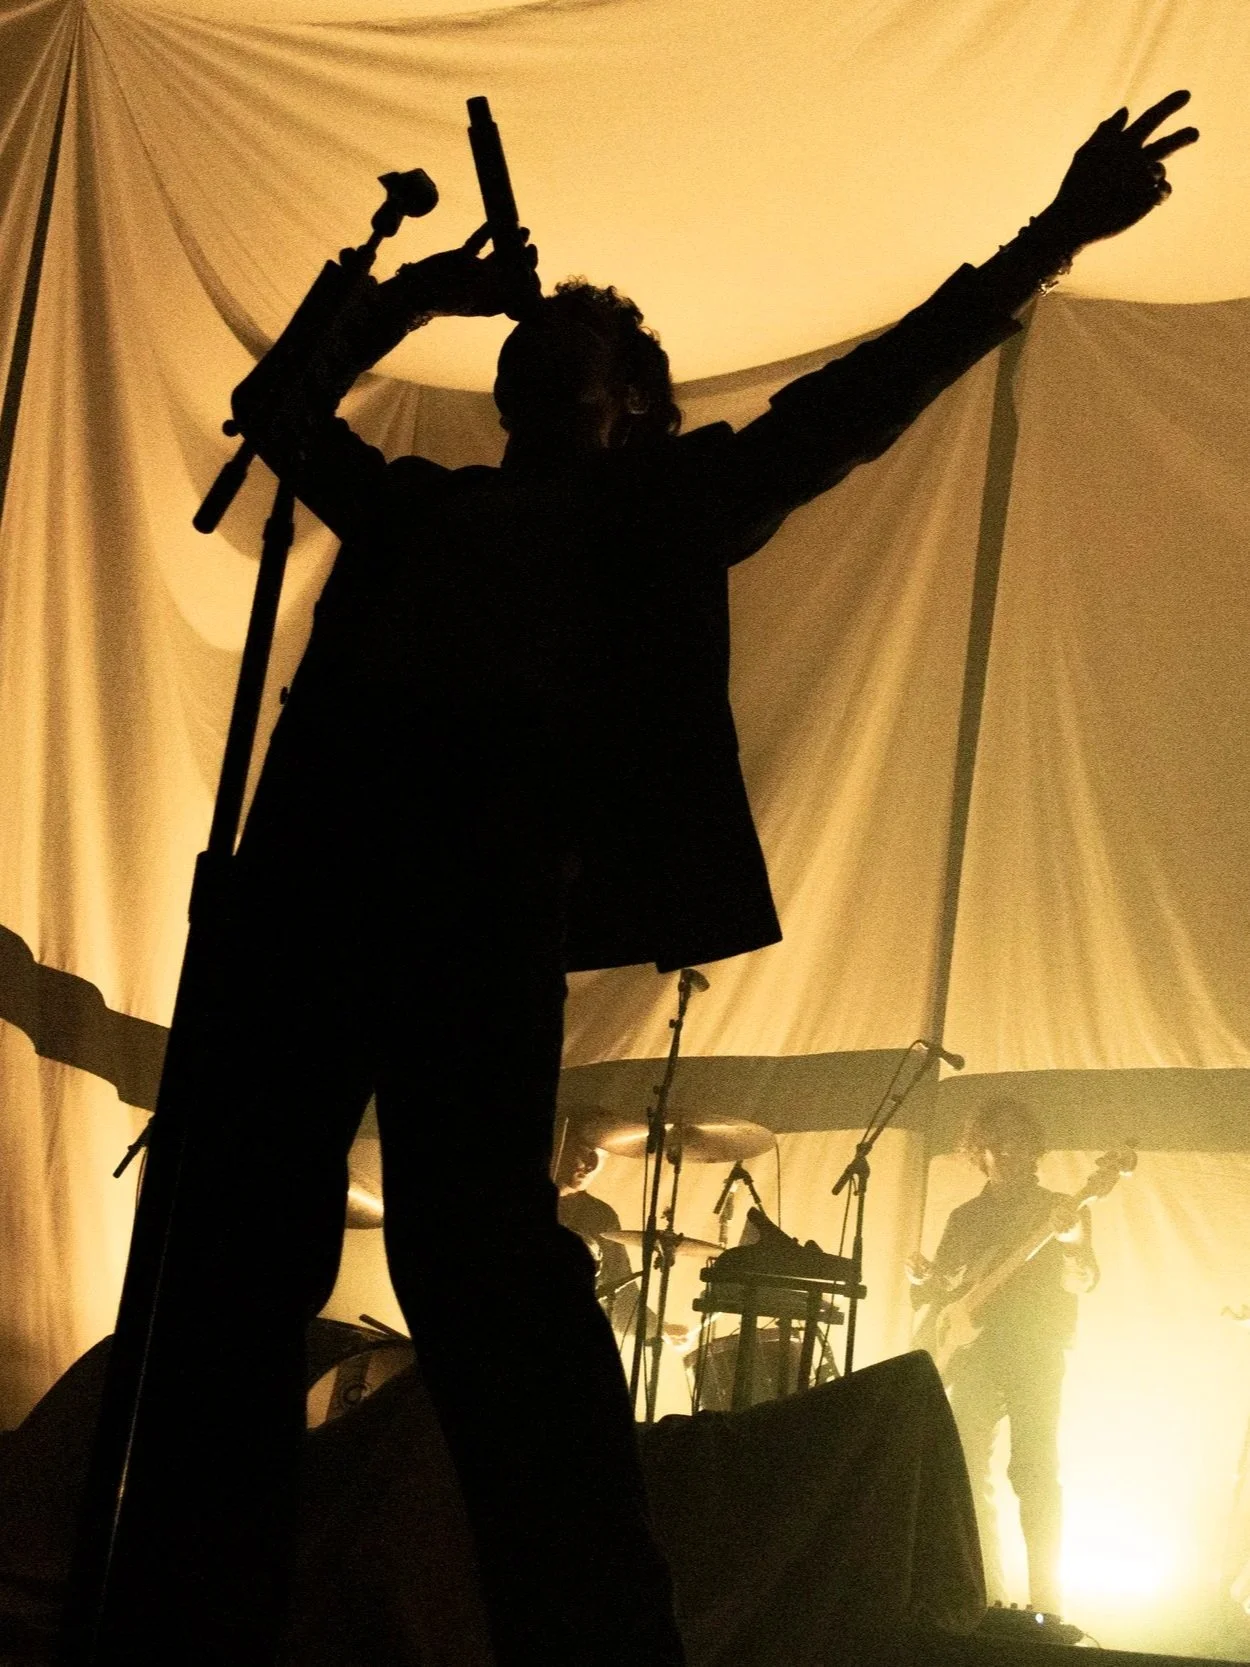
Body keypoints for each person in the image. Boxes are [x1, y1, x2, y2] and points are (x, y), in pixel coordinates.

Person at [108, 95, 1195, 1667]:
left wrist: (1048, 238)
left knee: (477, 1265)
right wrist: (414, 292)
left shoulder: (660, 505)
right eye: (542, 331)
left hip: (470, 911)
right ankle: (186, 1622)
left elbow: (864, 396)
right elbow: (273, 404)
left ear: (630, 404)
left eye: (595, 340)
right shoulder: (422, 504)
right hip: (311, 904)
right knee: (242, 1267)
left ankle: (596, 1633)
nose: (552, 340)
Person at [906, 1099, 1099, 1615]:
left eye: (1018, 1141)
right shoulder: (965, 1217)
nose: (1007, 1152)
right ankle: (984, 1596)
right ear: (978, 1153)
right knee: (966, 1472)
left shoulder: (1063, 1209)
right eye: (995, 1143)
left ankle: (1047, 1605)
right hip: (975, 1355)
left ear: (1035, 1148)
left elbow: (1084, 1280)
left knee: (1034, 1471)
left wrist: (1074, 1243)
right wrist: (924, 1281)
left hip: (1036, 1351)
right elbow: (943, 1294)